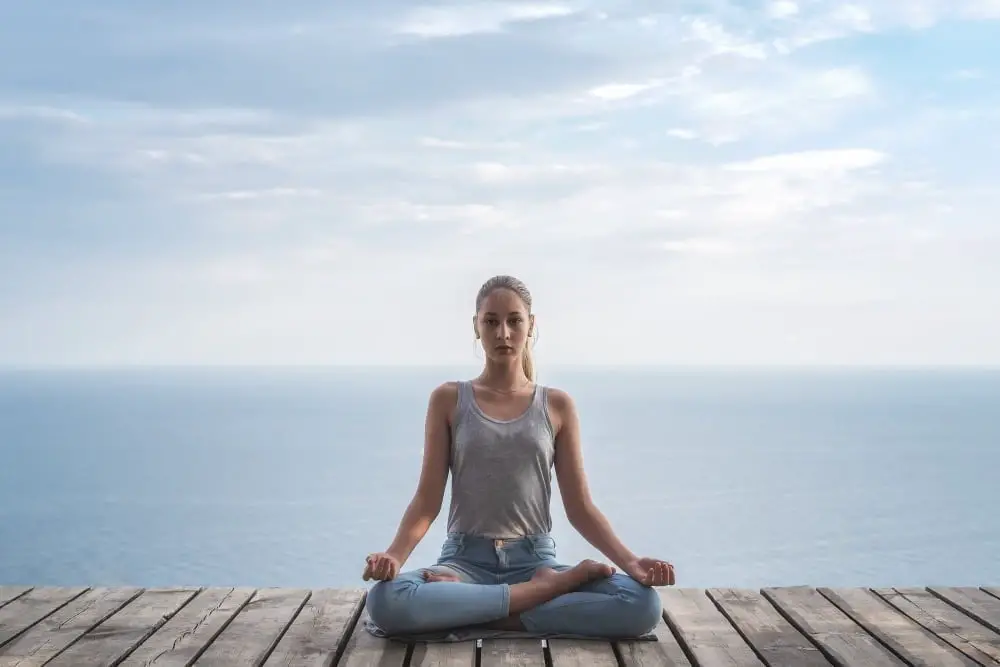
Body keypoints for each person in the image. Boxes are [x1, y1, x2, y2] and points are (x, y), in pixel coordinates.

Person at [362, 275, 675, 638]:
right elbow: (426, 501)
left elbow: (580, 508)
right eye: (491, 321)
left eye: (514, 321)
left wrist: (632, 562)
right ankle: (547, 592)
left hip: (535, 560)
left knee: (642, 605)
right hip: (464, 565)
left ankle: (480, 612)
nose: (503, 333)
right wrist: (395, 557)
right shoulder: (449, 399)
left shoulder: (556, 405)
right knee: (386, 601)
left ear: (531, 326)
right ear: (476, 327)